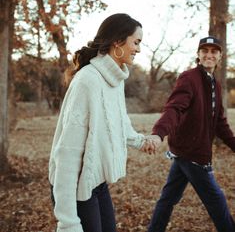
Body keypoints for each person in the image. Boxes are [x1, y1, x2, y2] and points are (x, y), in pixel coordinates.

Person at [49, 13, 157, 232]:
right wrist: (68, 222)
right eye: (136, 42)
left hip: (96, 183)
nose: (138, 49)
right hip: (75, 188)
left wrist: (139, 141)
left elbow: (118, 121)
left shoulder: (115, 79)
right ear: (118, 42)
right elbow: (66, 155)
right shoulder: (87, 80)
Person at [148, 36, 235, 232]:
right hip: (193, 154)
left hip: (184, 152)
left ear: (220, 55)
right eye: (205, 51)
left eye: (214, 51)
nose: (209, 55)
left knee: (168, 198)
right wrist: (158, 133)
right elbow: (174, 109)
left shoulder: (216, 84)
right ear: (198, 54)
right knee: (217, 202)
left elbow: (220, 122)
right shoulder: (189, 78)